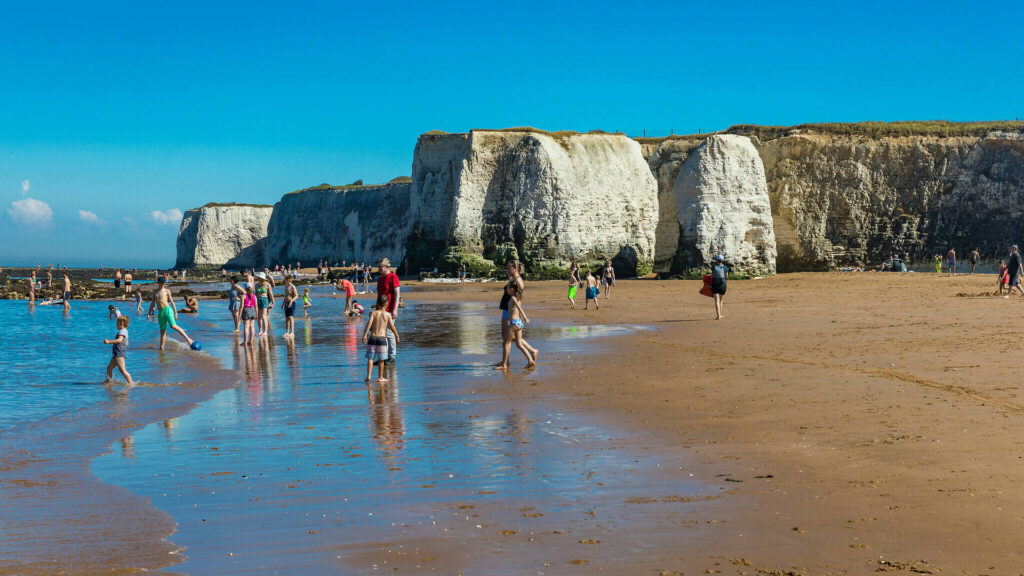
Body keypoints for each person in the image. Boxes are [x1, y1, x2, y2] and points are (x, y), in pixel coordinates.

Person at [494, 283, 537, 370]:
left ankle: (504, 365)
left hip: (514, 323)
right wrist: (522, 322)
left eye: (507, 289)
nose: (506, 291)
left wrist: (525, 318)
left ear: (512, 289)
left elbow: (520, 309)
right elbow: (518, 309)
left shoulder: (513, 298)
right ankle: (530, 360)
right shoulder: (518, 298)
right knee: (519, 344)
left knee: (506, 342)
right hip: (518, 322)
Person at [148, 276, 195, 350]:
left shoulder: (167, 291)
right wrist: (148, 314)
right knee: (162, 331)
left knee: (173, 326)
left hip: (168, 310)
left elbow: (172, 302)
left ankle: (188, 339)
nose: (163, 284)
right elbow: (152, 304)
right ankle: (161, 347)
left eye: (164, 283)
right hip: (161, 312)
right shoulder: (155, 292)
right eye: (161, 283)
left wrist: (175, 313)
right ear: (158, 283)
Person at [496, 261, 527, 367]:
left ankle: (505, 362)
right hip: (506, 310)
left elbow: (518, 299)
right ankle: (505, 361)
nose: (507, 270)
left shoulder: (519, 281)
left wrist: (521, 315)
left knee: (507, 339)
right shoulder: (513, 279)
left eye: (509, 268)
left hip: (510, 313)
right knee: (507, 338)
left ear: (515, 269)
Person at [363, 294, 399, 382]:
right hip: (382, 339)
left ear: (377, 304)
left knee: (370, 358)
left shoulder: (373, 313)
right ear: (387, 304)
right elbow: (392, 327)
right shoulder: (387, 315)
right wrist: (396, 336)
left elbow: (369, 324)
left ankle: (368, 376)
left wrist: (365, 335)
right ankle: (380, 377)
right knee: (381, 359)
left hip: (372, 338)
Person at [375, 258, 401, 364]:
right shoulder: (380, 279)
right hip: (380, 310)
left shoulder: (393, 277)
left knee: (389, 333)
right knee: (381, 334)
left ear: (387, 267)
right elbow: (379, 295)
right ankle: (383, 357)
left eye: (381, 266)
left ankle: (392, 357)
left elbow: (397, 294)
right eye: (379, 266)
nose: (379, 268)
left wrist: (395, 309)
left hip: (390, 309)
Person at [103, 316, 134, 387]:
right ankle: (108, 381)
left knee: (122, 370)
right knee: (109, 368)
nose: (115, 324)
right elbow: (126, 343)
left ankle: (131, 383)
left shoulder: (122, 331)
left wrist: (108, 342)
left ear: (121, 323)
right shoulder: (125, 331)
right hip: (117, 353)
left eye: (117, 323)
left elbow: (119, 340)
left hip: (119, 354)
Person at [711, 254, 728, 320]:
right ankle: (720, 314)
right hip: (722, 284)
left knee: (716, 301)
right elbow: (726, 276)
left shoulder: (713, 267)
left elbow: (713, 274)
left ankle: (718, 316)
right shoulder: (725, 267)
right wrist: (725, 281)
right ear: (722, 260)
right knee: (721, 300)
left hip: (715, 283)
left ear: (717, 260)